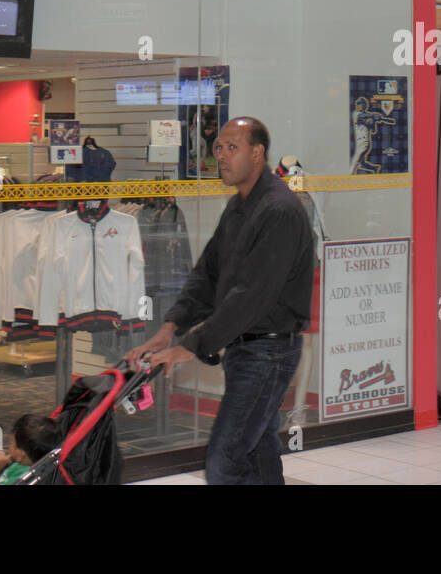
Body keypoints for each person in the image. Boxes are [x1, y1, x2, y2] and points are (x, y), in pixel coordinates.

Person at [125, 117, 315, 485]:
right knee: (258, 453)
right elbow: (208, 276)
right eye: (219, 148)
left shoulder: (279, 211)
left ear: (257, 153)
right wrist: (169, 329)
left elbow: (250, 298)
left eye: (232, 147)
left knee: (225, 460)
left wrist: (189, 347)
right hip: (247, 352)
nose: (222, 157)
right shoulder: (238, 208)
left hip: (268, 353)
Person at [0, 414, 57, 485]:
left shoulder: (25, 477)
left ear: (20, 453)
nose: (9, 447)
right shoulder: (47, 468)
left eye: (11, 443)